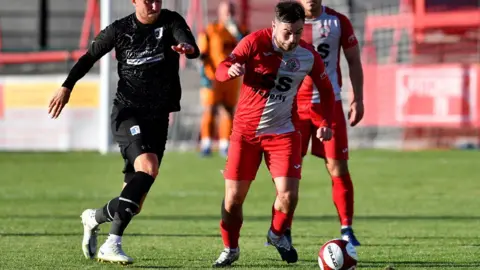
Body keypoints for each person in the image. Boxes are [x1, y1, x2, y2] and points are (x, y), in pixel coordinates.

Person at [47, 0, 199, 264]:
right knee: (148, 168)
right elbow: (88, 57)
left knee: (134, 203)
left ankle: (93, 217)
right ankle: (111, 244)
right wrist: (66, 86)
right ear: (134, 1)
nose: (153, 4)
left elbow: (190, 44)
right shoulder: (119, 30)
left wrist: (188, 48)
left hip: (158, 118)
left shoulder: (171, 21)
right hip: (127, 114)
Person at [211, 1, 336, 267]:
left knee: (288, 196)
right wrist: (229, 71)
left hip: (283, 132)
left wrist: (326, 120)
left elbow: (326, 90)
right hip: (245, 133)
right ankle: (231, 248)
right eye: (287, 33)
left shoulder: (308, 55)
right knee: (233, 199)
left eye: (299, 32)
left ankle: (277, 233)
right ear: (273, 26)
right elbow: (222, 66)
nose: (293, 39)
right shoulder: (253, 43)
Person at [290, 0, 365, 246]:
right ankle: (281, 231)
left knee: (338, 168)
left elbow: (353, 60)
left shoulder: (338, 21)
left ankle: (346, 229)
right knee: (288, 172)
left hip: (329, 104)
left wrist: (358, 99)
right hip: (294, 107)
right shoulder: (287, 21)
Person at [197, 1, 248, 157]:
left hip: (232, 79)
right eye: (227, 11)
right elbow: (202, 54)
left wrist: (237, 34)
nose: (229, 14)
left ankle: (225, 144)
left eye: (232, 11)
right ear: (220, 13)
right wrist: (205, 75)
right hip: (213, 77)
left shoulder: (241, 31)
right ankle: (206, 143)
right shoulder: (211, 30)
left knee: (228, 110)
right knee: (210, 109)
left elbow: (248, 49)